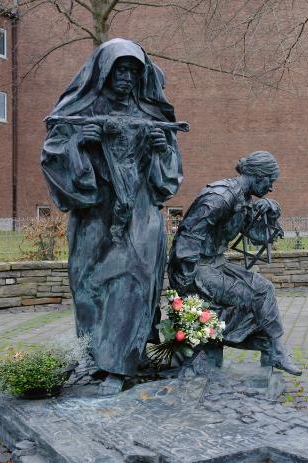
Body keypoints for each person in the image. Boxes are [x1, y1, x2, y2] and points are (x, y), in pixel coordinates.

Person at [41, 38, 184, 395]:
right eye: (119, 69)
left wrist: (161, 150)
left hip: (140, 213)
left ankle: (120, 364)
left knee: (132, 282)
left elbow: (168, 176)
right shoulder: (80, 109)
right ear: (103, 71)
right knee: (89, 286)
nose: (126, 78)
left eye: (133, 72)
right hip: (95, 214)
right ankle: (96, 359)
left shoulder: (151, 115)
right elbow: (55, 156)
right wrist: (80, 145)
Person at [167, 150, 301, 376]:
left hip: (215, 264)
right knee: (252, 296)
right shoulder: (221, 196)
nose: (271, 187)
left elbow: (258, 237)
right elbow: (189, 234)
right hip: (196, 268)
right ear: (259, 176)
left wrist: (271, 210)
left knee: (264, 288)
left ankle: (273, 350)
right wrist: (186, 281)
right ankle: (271, 348)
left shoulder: (244, 200)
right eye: (270, 182)